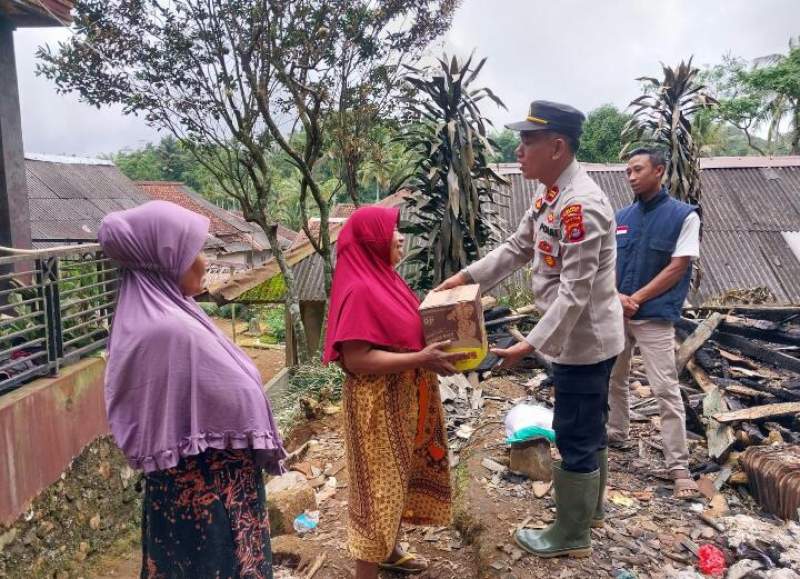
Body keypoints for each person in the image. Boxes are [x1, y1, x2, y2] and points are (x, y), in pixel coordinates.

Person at [437, 100, 624, 558]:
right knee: (588, 426)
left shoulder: (580, 207)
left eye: (527, 142)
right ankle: (591, 511)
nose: (518, 150)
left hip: (584, 344)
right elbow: (517, 247)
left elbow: (575, 294)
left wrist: (528, 343)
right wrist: (465, 278)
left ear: (557, 147)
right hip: (575, 339)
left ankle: (571, 536)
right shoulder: (551, 195)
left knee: (575, 430)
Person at [98, 201, 286, 579]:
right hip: (207, 502)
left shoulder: (175, 313)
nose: (203, 261)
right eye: (191, 252)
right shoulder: (168, 331)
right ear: (162, 260)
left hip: (213, 492)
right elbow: (229, 397)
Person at [323, 206, 464, 578]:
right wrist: (420, 357)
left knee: (398, 478)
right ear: (371, 240)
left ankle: (390, 550)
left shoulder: (385, 280)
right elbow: (358, 360)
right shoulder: (359, 289)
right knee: (377, 490)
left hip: (404, 395)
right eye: (391, 232)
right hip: (377, 404)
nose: (399, 237)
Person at [607, 147, 701, 499]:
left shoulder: (683, 216)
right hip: (617, 312)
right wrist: (616, 297)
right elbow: (605, 263)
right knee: (614, 376)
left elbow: (678, 266)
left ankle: (678, 465)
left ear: (659, 171)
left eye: (638, 170)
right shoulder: (621, 217)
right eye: (628, 171)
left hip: (654, 317)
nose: (631, 176)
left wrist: (638, 298)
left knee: (665, 387)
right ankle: (616, 433)